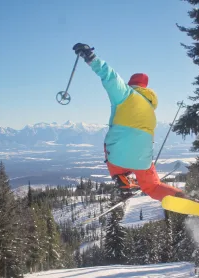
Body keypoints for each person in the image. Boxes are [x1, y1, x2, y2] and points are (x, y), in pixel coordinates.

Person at [72, 43, 187, 201]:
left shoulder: (126, 94)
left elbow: (110, 77)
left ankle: (123, 183)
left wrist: (90, 57)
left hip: (117, 153)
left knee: (109, 147)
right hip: (143, 157)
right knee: (153, 186)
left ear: (131, 84)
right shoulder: (150, 109)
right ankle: (180, 197)